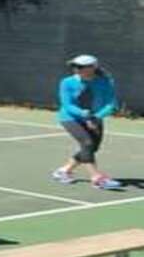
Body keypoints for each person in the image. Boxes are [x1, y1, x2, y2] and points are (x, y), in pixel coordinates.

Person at [52, 54, 122, 190]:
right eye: (74, 66)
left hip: (95, 117)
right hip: (70, 118)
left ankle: (64, 171)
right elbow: (67, 104)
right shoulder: (67, 82)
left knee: (92, 148)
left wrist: (96, 117)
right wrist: (85, 115)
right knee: (87, 143)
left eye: (80, 66)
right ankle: (97, 178)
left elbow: (111, 104)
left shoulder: (105, 82)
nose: (75, 68)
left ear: (92, 68)